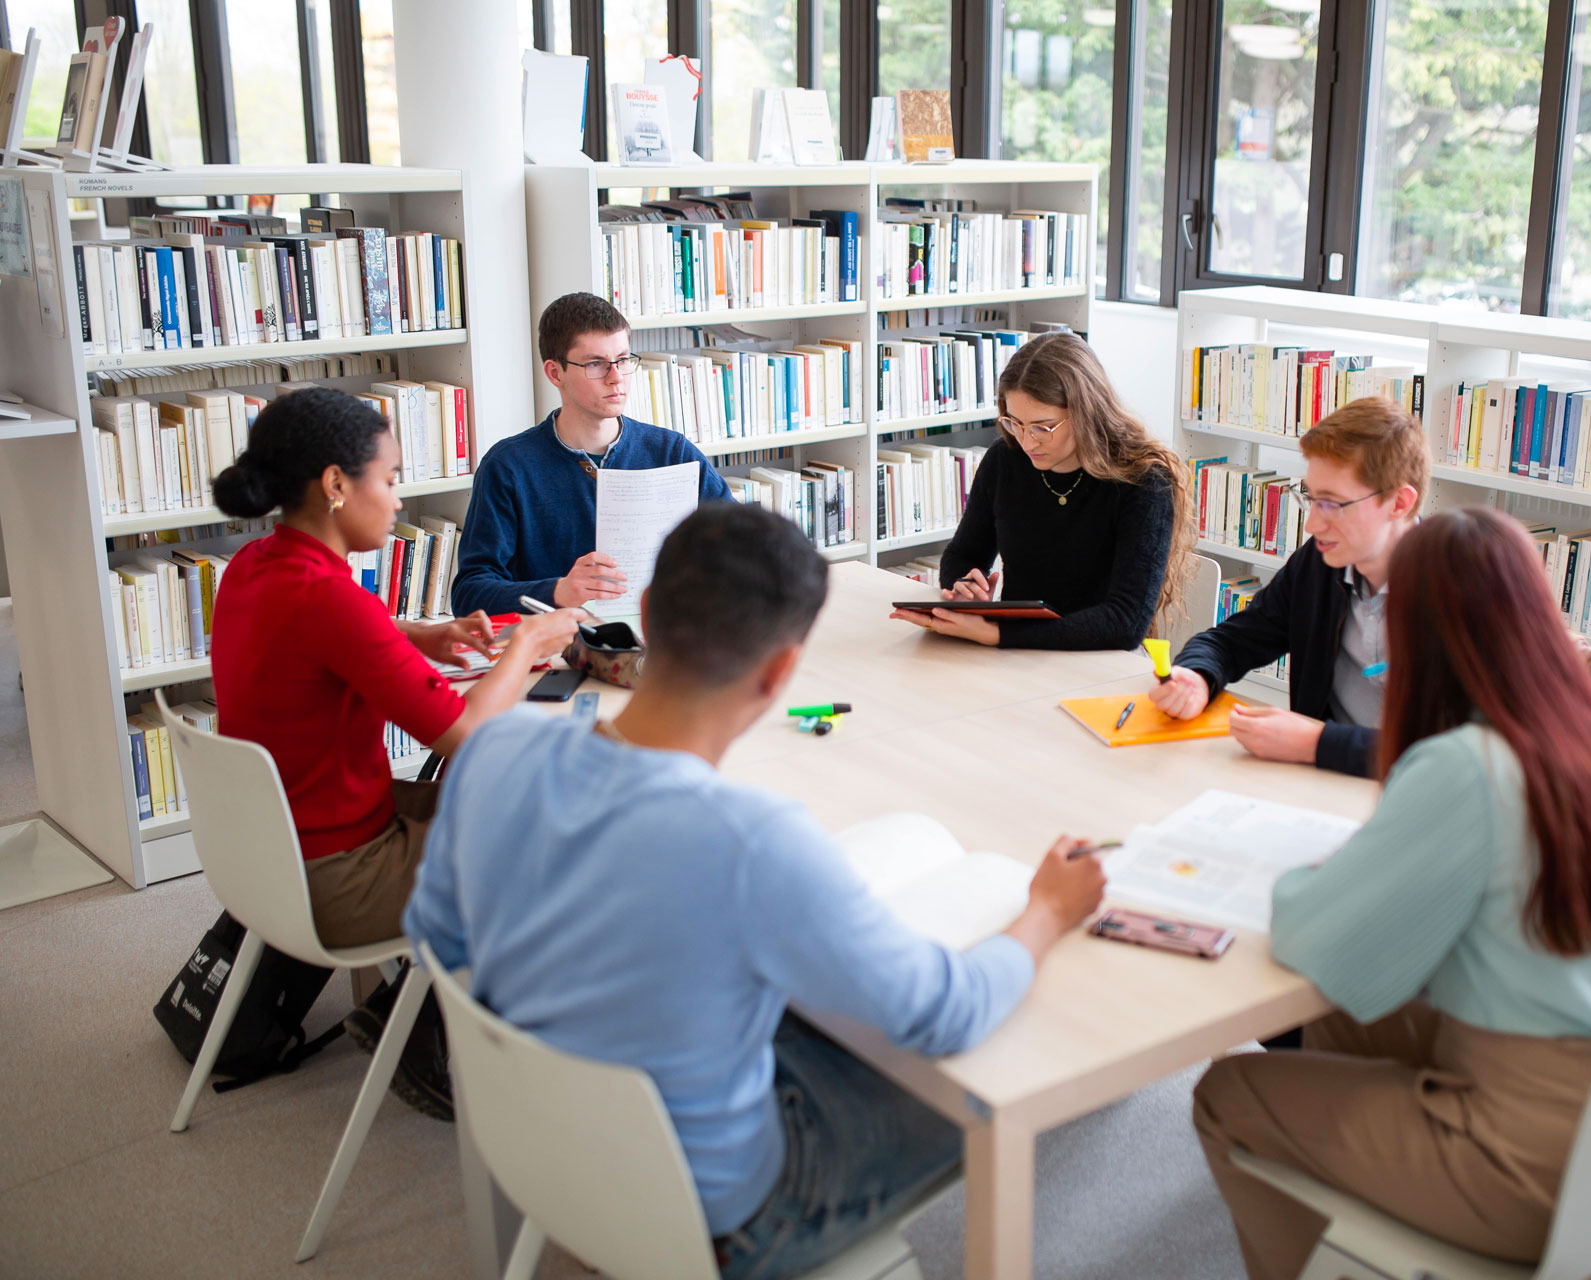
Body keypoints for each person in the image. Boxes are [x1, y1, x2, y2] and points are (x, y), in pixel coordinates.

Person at [406, 503, 1108, 1280]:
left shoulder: (495, 750)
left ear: (643, 615)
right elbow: (947, 1013)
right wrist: (1047, 911)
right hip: (720, 1215)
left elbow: (441, 939)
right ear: (781, 672)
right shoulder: (748, 842)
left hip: (539, 1144)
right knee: (982, 1084)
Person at [1190, 507, 1591, 1280]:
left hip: (1533, 1154)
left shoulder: (1464, 765)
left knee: (1227, 1095)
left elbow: (1310, 935)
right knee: (1340, 1025)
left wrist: (1309, 873)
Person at [209, 388, 584, 1117]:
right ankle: (424, 1022)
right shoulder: (330, 598)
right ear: (337, 485)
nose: (397, 496)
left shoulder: (256, 567)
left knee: (517, 801)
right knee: (558, 828)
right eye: (389, 477)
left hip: (277, 853)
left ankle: (412, 1008)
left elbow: (330, 638)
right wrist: (532, 643)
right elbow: (467, 737)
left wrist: (425, 637)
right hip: (341, 877)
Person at [1148, 396, 1427, 777]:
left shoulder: (1460, 590)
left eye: (1333, 504)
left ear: (1399, 503)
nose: (1311, 525)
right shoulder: (1320, 563)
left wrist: (1315, 743)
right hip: (1324, 781)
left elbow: (1463, 754)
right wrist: (1197, 677)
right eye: (1311, 498)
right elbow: (1231, 641)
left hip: (1419, 798)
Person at [889, 330, 1193, 651]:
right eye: (1014, 422)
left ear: (1085, 412)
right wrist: (965, 587)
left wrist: (995, 635)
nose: (1026, 441)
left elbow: (1126, 622)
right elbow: (963, 554)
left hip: (1099, 661)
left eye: (1042, 427)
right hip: (1015, 654)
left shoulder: (1144, 479)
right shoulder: (1005, 459)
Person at [449, 292, 731, 616]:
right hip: (558, 652)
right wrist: (560, 590)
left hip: (668, 641)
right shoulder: (508, 467)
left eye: (623, 360)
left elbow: (740, 546)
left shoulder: (672, 452)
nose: (616, 378)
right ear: (555, 373)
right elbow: (469, 594)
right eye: (596, 364)